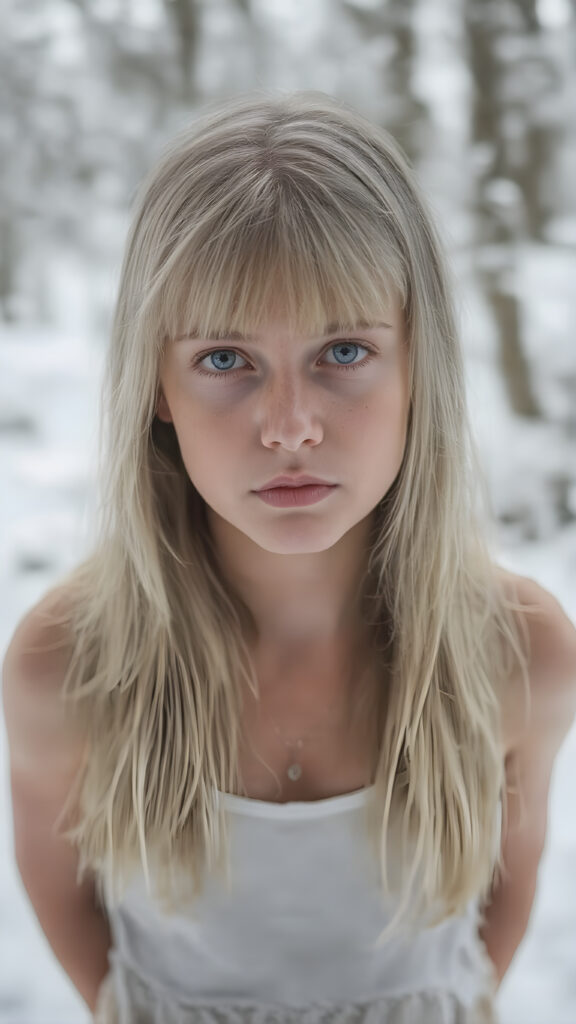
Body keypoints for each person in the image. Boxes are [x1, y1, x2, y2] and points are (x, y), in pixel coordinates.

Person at [3, 90, 576, 1024]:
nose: (291, 428)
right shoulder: (66, 661)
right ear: (155, 381)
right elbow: (59, 887)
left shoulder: (520, 649)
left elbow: (502, 900)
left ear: (418, 364)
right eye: (226, 360)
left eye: (343, 351)